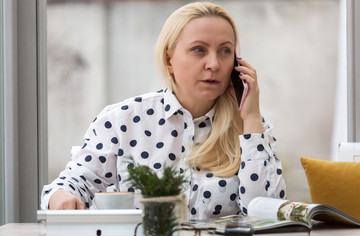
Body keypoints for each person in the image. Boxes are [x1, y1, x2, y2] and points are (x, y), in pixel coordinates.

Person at [41, 1, 286, 220]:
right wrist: (61, 196)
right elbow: (71, 183)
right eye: (199, 49)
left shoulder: (250, 130)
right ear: (170, 60)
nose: (214, 64)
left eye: (225, 51)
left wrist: (251, 119)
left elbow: (265, 212)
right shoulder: (120, 119)